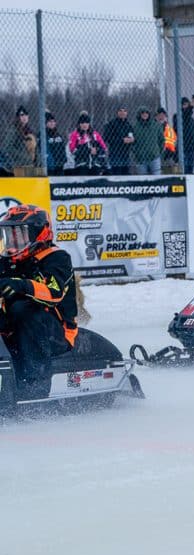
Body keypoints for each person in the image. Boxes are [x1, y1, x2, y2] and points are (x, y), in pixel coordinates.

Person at [0, 204, 78, 400]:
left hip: (55, 331)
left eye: (19, 234)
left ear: (38, 234)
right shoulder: (8, 260)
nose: (13, 241)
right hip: (16, 326)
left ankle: (35, 387)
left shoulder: (57, 258)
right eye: (9, 234)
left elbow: (54, 292)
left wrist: (22, 286)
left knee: (22, 309)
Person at [2, 106, 38, 175]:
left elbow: (36, 148)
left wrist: (37, 161)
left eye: (26, 115)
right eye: (21, 115)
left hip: (31, 165)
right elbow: (7, 148)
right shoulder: (13, 130)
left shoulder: (30, 131)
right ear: (17, 118)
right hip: (18, 166)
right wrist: (24, 157)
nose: (24, 117)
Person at [103, 105, 135, 175]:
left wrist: (131, 140)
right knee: (116, 173)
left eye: (124, 111)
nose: (122, 112)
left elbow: (132, 136)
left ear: (127, 113)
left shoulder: (128, 125)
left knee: (125, 173)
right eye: (120, 111)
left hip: (126, 153)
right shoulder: (112, 123)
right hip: (115, 153)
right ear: (117, 113)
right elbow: (107, 137)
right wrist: (122, 140)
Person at [132, 108, 163, 175]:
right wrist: (136, 152)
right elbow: (132, 142)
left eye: (146, 113)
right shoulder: (135, 127)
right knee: (143, 179)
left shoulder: (156, 125)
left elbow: (161, 140)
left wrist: (157, 151)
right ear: (139, 114)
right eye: (142, 113)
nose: (145, 114)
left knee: (157, 177)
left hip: (154, 156)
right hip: (140, 157)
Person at [173, 96, 194, 174]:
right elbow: (185, 117)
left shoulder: (191, 119)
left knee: (190, 169)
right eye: (184, 104)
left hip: (191, 148)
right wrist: (191, 107)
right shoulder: (177, 116)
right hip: (183, 148)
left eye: (187, 104)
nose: (186, 106)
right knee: (185, 170)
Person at [43, 112, 67, 176]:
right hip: (50, 166)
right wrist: (51, 162)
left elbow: (62, 148)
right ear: (46, 123)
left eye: (53, 121)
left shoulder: (58, 135)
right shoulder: (43, 134)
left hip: (60, 165)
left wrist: (63, 160)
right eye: (50, 121)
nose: (52, 123)